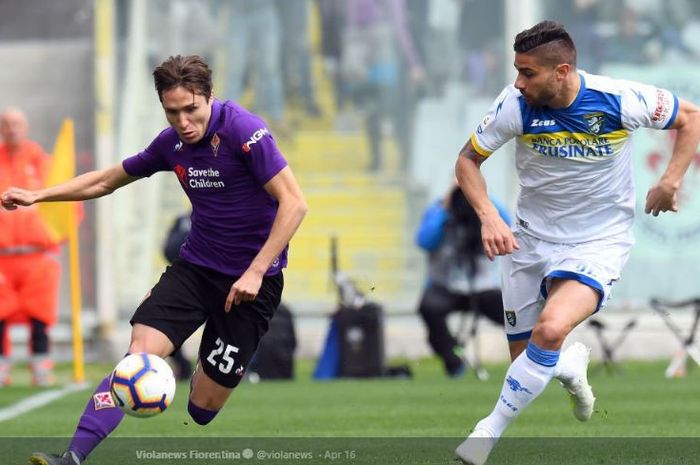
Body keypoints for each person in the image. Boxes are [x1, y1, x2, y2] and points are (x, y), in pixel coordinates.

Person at [2, 55, 307, 465]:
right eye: (172, 112)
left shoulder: (244, 131)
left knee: (202, 409)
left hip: (253, 284)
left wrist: (254, 271)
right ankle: (72, 457)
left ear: (209, 97)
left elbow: (294, 204)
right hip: (195, 270)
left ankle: (208, 355)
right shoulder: (172, 144)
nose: (183, 122)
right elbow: (107, 179)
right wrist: (39, 195)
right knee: (138, 358)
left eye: (191, 110)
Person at [452, 21, 700, 465]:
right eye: (517, 71)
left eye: (528, 73)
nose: (518, 82)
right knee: (528, 361)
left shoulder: (619, 99)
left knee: (549, 330)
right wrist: (489, 216)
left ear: (561, 71)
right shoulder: (514, 105)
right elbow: (468, 161)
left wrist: (671, 179)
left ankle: (485, 433)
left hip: (597, 242)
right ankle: (568, 364)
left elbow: (691, 116)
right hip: (528, 241)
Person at [416, 184, 509, 377]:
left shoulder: (489, 210)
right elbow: (425, 241)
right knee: (428, 308)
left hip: (483, 287)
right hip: (445, 286)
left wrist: (484, 201)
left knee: (516, 316)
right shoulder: (439, 210)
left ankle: (533, 362)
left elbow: (508, 229)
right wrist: (446, 205)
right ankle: (453, 361)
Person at [0, 107, 61, 387]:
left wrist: (55, 237)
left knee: (40, 315)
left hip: (38, 256)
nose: (12, 129)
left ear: (25, 127)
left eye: (17, 124)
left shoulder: (42, 162)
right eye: (7, 124)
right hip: (3, 256)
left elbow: (66, 202)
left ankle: (41, 367)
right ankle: (2, 369)